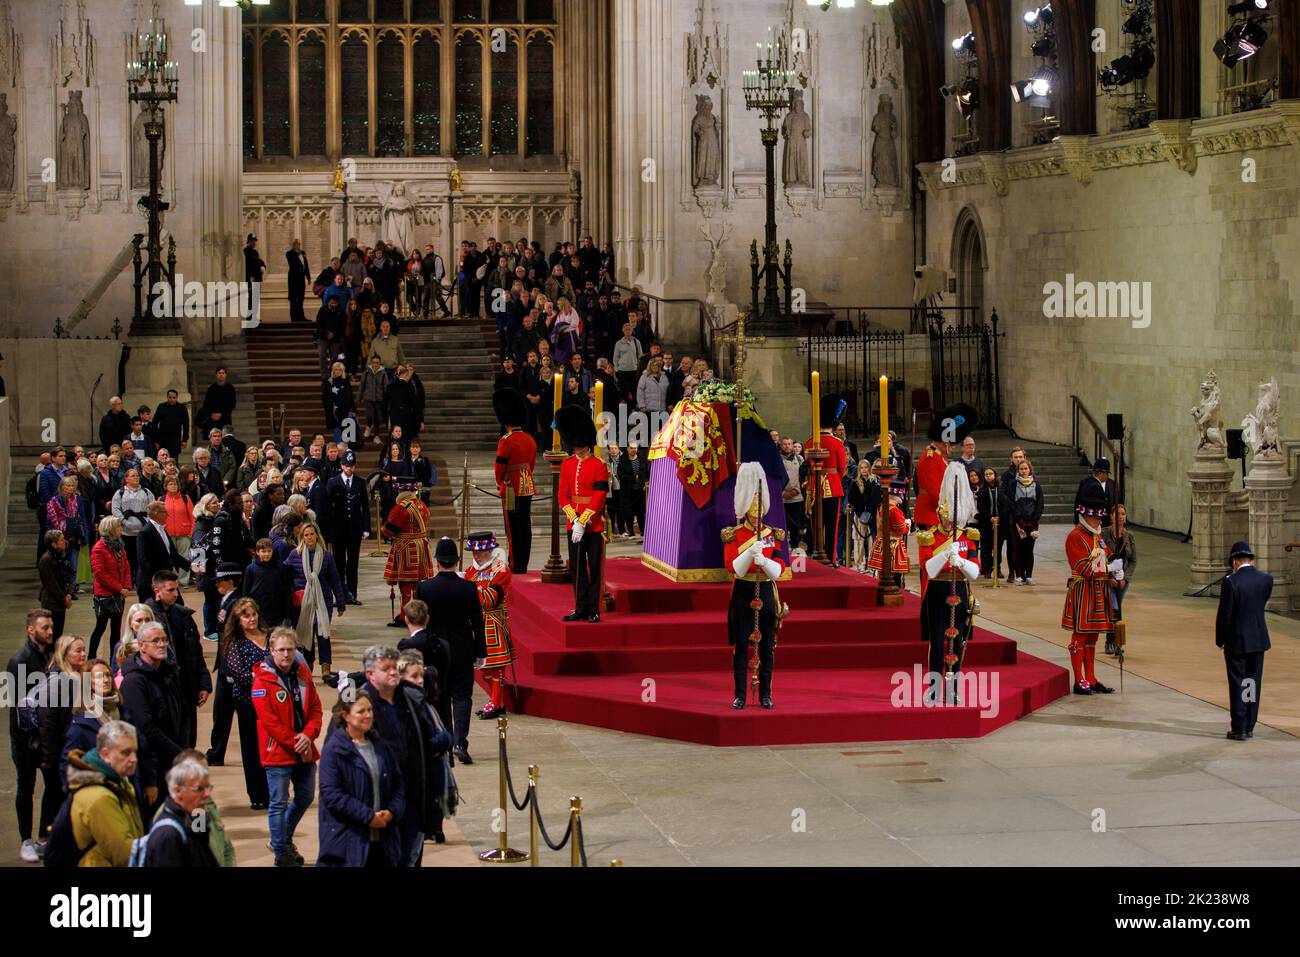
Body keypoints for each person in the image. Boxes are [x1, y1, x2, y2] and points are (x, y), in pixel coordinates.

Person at [357, 644, 446, 865]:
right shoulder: (358, 706)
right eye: (386, 668)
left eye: (394, 667)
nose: (392, 672)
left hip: (412, 801)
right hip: (378, 806)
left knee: (410, 858)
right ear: (370, 674)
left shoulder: (411, 701)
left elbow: (424, 750)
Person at [252, 627, 322, 866]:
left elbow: (315, 709)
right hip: (277, 751)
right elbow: (269, 722)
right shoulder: (262, 680)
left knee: (304, 796)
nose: (285, 654)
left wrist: (308, 735)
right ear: (271, 651)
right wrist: (297, 740)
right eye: (281, 650)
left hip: (304, 749)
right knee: (279, 802)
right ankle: (281, 852)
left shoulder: (303, 674)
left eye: (290, 649)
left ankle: (283, 838)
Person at [414, 539, 487, 764]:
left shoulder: (424, 587)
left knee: (440, 696)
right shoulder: (468, 587)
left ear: (437, 563)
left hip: (435, 651)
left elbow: (419, 622)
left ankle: (445, 740)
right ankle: (459, 742)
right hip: (462, 648)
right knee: (463, 696)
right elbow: (477, 622)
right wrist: (481, 651)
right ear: (456, 562)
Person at [724, 463, 788, 710]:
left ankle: (765, 693)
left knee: (768, 647)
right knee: (742, 645)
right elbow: (733, 567)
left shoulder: (774, 534)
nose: (757, 511)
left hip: (766, 591)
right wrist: (750, 553)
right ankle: (740, 694)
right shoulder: (734, 534)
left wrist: (767, 562)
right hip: (743, 590)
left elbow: (780, 566)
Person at [917, 461, 982, 706]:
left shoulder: (968, 536)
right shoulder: (929, 537)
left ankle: (952, 688)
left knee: (958, 641)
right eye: (946, 518)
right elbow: (929, 569)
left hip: (960, 588)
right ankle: (934, 688)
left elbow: (975, 571)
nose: (949, 522)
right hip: (938, 589)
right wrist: (945, 555)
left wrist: (961, 562)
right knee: (937, 641)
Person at [317, 694, 405, 867]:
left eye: (370, 710)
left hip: (383, 841)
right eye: (361, 711)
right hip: (348, 843)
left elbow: (397, 783)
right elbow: (331, 794)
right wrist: (368, 817)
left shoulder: (380, 746)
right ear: (345, 716)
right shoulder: (334, 750)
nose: (368, 715)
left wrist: (392, 811)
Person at [60, 660, 155, 811]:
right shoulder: (80, 725)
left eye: (107, 675)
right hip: (100, 799)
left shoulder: (123, 712)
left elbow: (142, 746)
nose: (105, 680)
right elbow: (68, 767)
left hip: (130, 789)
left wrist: (150, 782)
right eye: (98, 677)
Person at [118, 621, 187, 807]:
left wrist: (183, 748)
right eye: (155, 640)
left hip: (173, 758)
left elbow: (183, 711)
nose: (162, 644)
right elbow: (146, 728)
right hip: (152, 766)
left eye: (164, 640)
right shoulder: (134, 682)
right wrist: (178, 752)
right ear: (141, 646)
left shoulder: (168, 672)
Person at [1061, 484, 1120, 696]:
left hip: (1098, 590)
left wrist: (1115, 573)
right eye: (1095, 518)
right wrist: (1106, 566)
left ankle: (1091, 677)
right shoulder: (1075, 536)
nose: (1098, 521)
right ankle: (1079, 679)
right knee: (1081, 635)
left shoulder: (1097, 536)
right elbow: (1083, 567)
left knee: (1093, 636)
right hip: (1083, 591)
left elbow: (1107, 554)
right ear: (1085, 515)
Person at [9, 610, 58, 861]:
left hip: (46, 738)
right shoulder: (20, 662)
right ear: (31, 630)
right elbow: (19, 710)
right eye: (45, 628)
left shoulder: (50, 655)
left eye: (50, 627)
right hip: (26, 741)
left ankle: (44, 837)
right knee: (25, 788)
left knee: (53, 786)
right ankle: (26, 840)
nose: (50, 632)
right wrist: (30, 743)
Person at [64, 721, 146, 867]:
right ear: (105, 754)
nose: (134, 759)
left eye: (135, 751)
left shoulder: (118, 783)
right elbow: (124, 855)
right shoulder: (100, 798)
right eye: (125, 753)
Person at [914, 403, 976, 591]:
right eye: (951, 443)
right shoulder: (931, 458)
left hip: (940, 516)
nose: (953, 447)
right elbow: (936, 493)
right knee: (932, 563)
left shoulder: (940, 457)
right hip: (932, 516)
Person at [556, 406, 609, 623]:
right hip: (573, 524)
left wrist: (584, 521)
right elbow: (562, 495)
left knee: (594, 568)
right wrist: (574, 519)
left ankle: (593, 609)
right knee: (577, 569)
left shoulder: (599, 466)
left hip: (594, 526)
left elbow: (599, 497)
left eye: (578, 446)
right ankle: (580, 607)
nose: (576, 449)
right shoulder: (567, 465)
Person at [146, 571, 211, 746]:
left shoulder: (183, 616)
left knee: (188, 742)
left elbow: (196, 653)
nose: (176, 594)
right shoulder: (146, 619)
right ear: (156, 590)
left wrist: (203, 683)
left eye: (177, 589)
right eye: (170, 590)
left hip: (186, 689)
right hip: (164, 691)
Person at [1216, 542, 1272, 741]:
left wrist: (1220, 639)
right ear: (1252, 560)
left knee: (1238, 683)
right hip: (1258, 640)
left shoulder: (1231, 582)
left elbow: (1225, 614)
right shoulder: (1266, 580)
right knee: (1251, 682)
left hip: (1237, 641)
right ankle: (1249, 724)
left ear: (1234, 561)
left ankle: (1239, 726)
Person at [464, 532, 515, 720]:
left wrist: (468, 590)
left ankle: (496, 702)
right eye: (474, 552)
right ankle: (493, 701)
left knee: (497, 667)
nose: (477, 555)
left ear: (490, 550)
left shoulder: (501, 571)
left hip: (493, 622)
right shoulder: (470, 571)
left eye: (481, 552)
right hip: (476, 624)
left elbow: (489, 600)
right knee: (484, 667)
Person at [286, 520, 345, 677]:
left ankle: (326, 667)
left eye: (312, 534)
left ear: (317, 536)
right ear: (302, 537)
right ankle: (307, 665)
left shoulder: (326, 556)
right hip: (303, 600)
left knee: (323, 633)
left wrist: (340, 602)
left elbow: (335, 580)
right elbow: (285, 575)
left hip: (322, 599)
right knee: (307, 634)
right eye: (306, 535)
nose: (310, 537)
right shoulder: (294, 555)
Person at [140, 758, 220, 867]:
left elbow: (203, 848)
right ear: (178, 791)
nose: (207, 794)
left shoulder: (198, 814)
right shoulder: (167, 836)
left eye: (207, 787)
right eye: (199, 789)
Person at [493, 389, 537, 574]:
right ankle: (523, 562)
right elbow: (532, 464)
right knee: (525, 525)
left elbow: (499, 467)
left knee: (512, 528)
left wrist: (499, 483)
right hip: (527, 486)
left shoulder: (506, 441)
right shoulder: (530, 439)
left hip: (510, 487)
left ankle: (515, 563)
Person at [397, 600, 453, 738]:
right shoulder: (443, 644)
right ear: (427, 618)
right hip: (442, 705)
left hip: (417, 707)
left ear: (406, 619)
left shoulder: (406, 645)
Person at [383, 489, 435, 627]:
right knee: (419, 584)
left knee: (406, 585)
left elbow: (389, 530)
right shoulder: (422, 504)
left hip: (407, 548)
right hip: (422, 547)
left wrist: (386, 531)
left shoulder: (401, 507)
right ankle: (420, 614)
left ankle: (405, 616)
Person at [808, 396, 848, 568]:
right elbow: (842, 468)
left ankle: (816, 553)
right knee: (832, 525)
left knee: (816, 525)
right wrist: (834, 480)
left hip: (815, 486)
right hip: (832, 484)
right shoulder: (837, 443)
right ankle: (831, 558)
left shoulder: (810, 441)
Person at [326, 450, 370, 604]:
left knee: (353, 563)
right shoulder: (333, 482)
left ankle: (352, 595)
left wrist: (366, 527)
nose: (349, 468)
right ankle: (340, 596)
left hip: (354, 529)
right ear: (341, 465)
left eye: (351, 465)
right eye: (346, 465)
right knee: (339, 564)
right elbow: (328, 508)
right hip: (339, 530)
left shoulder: (359, 482)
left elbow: (365, 506)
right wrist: (329, 530)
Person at [87, 517, 132, 662]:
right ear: (111, 530)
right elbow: (100, 575)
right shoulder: (98, 549)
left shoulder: (120, 546)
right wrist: (120, 588)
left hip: (119, 594)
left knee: (116, 629)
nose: (121, 529)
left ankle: (114, 659)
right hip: (105, 595)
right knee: (100, 628)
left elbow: (126, 566)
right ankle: (91, 657)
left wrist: (126, 586)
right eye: (119, 527)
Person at [136, 500, 189, 605]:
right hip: (151, 583)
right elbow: (144, 561)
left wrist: (190, 565)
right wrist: (155, 582)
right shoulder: (145, 533)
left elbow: (172, 555)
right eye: (165, 512)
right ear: (156, 514)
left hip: (164, 579)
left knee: (177, 607)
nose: (167, 515)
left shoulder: (162, 530)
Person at [1102, 504, 1137, 654]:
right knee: (1114, 610)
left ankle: (1118, 643)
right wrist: (1108, 576)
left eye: (1123, 514)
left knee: (1118, 609)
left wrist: (1125, 579)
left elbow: (1133, 560)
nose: (1121, 517)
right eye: (1117, 514)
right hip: (1109, 579)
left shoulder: (1129, 536)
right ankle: (1111, 641)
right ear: (1111, 516)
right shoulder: (1104, 534)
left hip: (1122, 580)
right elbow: (1100, 556)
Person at [111, 467, 155, 585]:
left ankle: (142, 580)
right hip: (126, 531)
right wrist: (124, 522)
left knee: (142, 557)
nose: (136, 477)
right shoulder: (120, 493)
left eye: (137, 475)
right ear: (126, 479)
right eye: (133, 476)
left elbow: (153, 508)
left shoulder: (146, 492)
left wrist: (149, 522)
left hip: (143, 530)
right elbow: (115, 509)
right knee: (128, 558)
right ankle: (129, 581)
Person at [866, 477, 910, 585]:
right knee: (893, 577)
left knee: (883, 574)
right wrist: (908, 525)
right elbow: (900, 529)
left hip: (882, 542)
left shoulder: (882, 506)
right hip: (892, 545)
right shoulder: (894, 509)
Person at [1007, 458, 1044, 586]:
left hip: (1032, 523)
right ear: (1018, 470)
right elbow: (1010, 503)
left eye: (1026, 469)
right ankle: (1018, 575)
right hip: (1017, 523)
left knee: (1029, 549)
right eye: (1021, 469)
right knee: (1018, 549)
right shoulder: (1013, 484)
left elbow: (1040, 504)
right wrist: (1019, 520)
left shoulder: (1036, 485)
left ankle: (1028, 575)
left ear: (1030, 470)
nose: (1023, 471)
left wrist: (1034, 520)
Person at [38, 530, 74, 640]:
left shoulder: (61, 556)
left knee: (59, 633)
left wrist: (69, 593)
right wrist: (64, 599)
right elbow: (51, 584)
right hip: (52, 603)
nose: (65, 542)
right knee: (53, 636)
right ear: (54, 544)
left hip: (61, 601)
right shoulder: (46, 560)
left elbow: (67, 577)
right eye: (62, 540)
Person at [617, 442, 647, 539]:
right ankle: (631, 532)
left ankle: (643, 531)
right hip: (627, 491)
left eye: (635, 448)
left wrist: (642, 480)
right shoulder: (622, 459)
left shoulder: (641, 458)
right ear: (627, 449)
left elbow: (645, 471)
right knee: (628, 513)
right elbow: (620, 475)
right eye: (631, 448)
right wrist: (634, 478)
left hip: (640, 490)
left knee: (641, 512)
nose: (633, 449)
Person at [197, 367, 237, 435]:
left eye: (223, 373)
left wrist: (221, 414)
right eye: (219, 373)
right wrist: (212, 414)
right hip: (213, 418)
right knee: (215, 439)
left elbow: (232, 404)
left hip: (225, 417)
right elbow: (207, 403)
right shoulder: (212, 388)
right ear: (216, 375)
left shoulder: (230, 388)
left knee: (226, 438)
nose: (221, 375)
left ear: (225, 375)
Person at [286, 239, 311, 324]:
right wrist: (298, 254)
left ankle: (301, 316)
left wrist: (308, 277)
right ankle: (294, 317)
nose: (298, 245)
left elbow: (306, 265)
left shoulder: (303, 253)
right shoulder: (289, 254)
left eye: (299, 244)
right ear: (293, 245)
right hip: (293, 279)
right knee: (293, 299)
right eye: (296, 244)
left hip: (301, 279)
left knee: (301, 298)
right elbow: (293, 263)